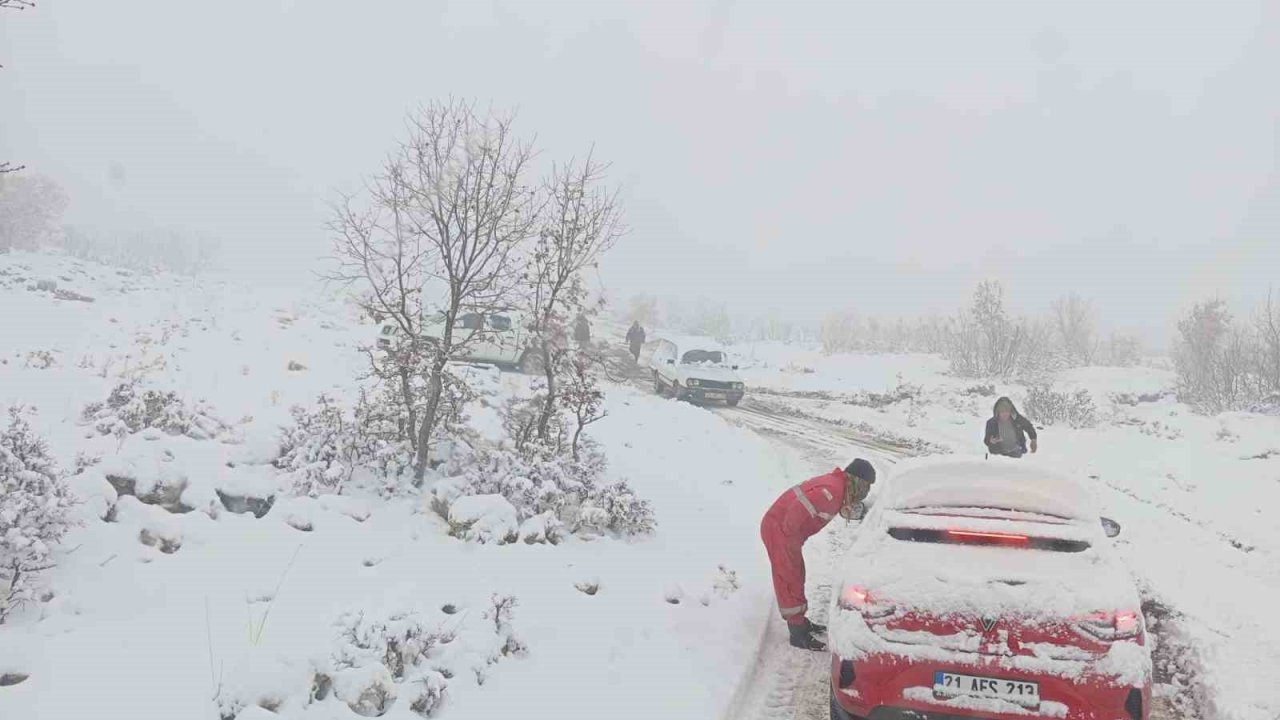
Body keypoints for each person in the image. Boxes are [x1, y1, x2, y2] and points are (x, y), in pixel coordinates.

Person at [760, 458, 876, 651]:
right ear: (858, 481)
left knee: (796, 575)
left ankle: (800, 622)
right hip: (779, 531)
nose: (866, 492)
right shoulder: (832, 491)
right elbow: (797, 512)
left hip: (784, 533)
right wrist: (791, 537)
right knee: (789, 578)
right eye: (866, 487)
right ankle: (797, 633)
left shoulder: (837, 487)